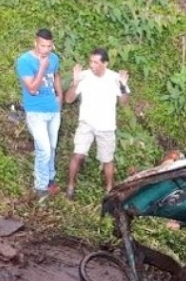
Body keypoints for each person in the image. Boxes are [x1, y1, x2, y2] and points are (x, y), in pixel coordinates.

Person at [64, 47, 130, 198]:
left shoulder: (114, 78)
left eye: (96, 62)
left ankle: (109, 190)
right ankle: (70, 187)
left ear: (105, 63)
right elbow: (68, 99)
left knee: (107, 160)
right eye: (90, 62)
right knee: (78, 154)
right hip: (86, 123)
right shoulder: (84, 76)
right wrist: (75, 83)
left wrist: (123, 86)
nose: (92, 65)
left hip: (106, 126)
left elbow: (124, 103)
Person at [15, 28, 63, 199]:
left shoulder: (54, 59)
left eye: (49, 46)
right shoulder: (25, 61)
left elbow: (56, 75)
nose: (46, 50)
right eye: (43, 45)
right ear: (35, 43)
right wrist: (42, 67)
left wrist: (60, 96)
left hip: (53, 110)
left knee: (51, 147)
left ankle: (50, 180)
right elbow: (32, 88)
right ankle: (40, 186)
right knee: (43, 149)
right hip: (36, 111)